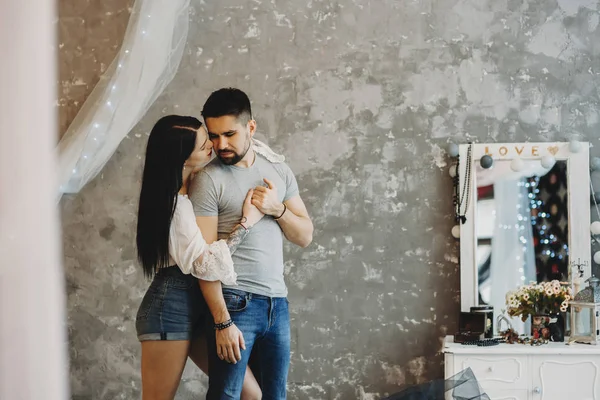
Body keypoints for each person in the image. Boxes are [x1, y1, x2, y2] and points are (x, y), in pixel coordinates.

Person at [189, 88, 314, 399]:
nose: (221, 145)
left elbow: (305, 235)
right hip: (234, 301)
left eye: (229, 134)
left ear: (251, 127)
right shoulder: (207, 180)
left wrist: (277, 209)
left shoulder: (278, 171)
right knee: (226, 395)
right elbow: (203, 261)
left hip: (277, 303)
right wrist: (221, 321)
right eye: (214, 136)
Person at [134, 115, 263, 400]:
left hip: (197, 308)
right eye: (205, 144)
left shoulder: (192, 186)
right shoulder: (174, 206)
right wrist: (246, 222)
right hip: (170, 310)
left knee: (250, 394)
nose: (213, 146)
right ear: (181, 156)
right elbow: (205, 263)